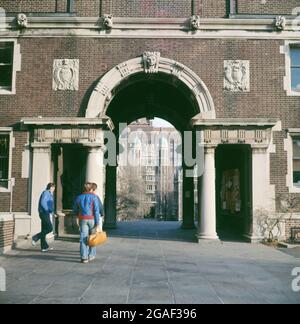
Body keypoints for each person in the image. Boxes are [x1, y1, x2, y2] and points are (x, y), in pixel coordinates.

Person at [74, 182, 103, 264]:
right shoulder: (94, 197)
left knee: (83, 238)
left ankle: (84, 258)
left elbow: (75, 208)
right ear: (91, 189)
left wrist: (78, 215)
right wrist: (97, 223)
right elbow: (96, 210)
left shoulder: (79, 197)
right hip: (92, 219)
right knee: (93, 237)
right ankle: (91, 255)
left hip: (82, 219)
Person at [32, 183, 56, 252]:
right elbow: (43, 203)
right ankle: (35, 237)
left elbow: (49, 205)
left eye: (54, 188)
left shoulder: (50, 194)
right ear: (50, 187)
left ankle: (44, 247)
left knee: (44, 229)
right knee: (50, 228)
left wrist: (52, 213)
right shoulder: (46, 193)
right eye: (53, 187)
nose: (53, 189)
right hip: (44, 213)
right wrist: (47, 210)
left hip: (46, 213)